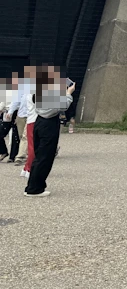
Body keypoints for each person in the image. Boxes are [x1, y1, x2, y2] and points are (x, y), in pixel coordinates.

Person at [24, 66, 73, 197]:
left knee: (40, 155)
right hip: (48, 124)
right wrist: (68, 93)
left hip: (40, 122)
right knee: (45, 156)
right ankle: (35, 188)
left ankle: (33, 185)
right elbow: (62, 105)